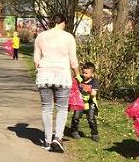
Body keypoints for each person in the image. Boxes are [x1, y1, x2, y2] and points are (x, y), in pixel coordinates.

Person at [33, 13, 79, 152]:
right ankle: (57, 138)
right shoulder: (68, 37)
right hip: (62, 76)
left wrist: (39, 69)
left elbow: (36, 58)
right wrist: (77, 75)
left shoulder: (41, 36)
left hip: (44, 76)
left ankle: (47, 141)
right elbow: (73, 59)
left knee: (46, 108)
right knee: (62, 108)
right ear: (62, 23)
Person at [70, 61, 99, 141]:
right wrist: (74, 67)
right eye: (83, 72)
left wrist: (89, 90)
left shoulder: (94, 82)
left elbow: (94, 93)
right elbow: (76, 74)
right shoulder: (80, 79)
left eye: (86, 73)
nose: (84, 75)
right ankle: (74, 131)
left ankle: (94, 133)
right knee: (76, 117)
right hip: (79, 102)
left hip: (90, 103)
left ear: (92, 74)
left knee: (91, 118)